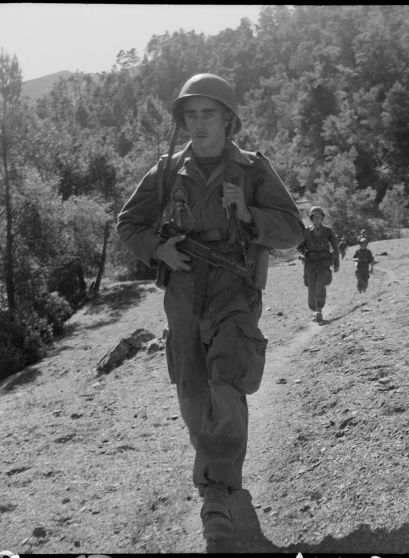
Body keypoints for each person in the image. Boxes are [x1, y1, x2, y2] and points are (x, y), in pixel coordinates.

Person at [116, 73, 304, 542]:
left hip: (234, 287)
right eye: (191, 115)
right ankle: (217, 476)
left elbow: (292, 231)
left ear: (228, 120)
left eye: (209, 114)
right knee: (194, 391)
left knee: (226, 381)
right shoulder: (165, 170)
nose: (199, 124)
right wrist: (158, 251)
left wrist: (248, 215)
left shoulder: (254, 169)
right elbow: (129, 223)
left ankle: (217, 490)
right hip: (182, 290)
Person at [297, 206, 339, 323]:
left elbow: (335, 248)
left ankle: (319, 309)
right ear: (311, 218)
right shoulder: (306, 232)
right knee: (311, 288)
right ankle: (314, 309)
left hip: (324, 263)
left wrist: (336, 263)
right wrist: (302, 254)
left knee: (320, 285)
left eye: (319, 217)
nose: (317, 219)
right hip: (310, 263)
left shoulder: (328, 231)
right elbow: (300, 247)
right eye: (314, 217)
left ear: (322, 218)